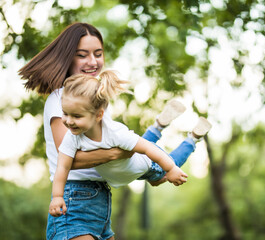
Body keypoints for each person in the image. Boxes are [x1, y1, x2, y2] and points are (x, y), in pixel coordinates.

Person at [18, 22, 211, 240]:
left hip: (101, 196)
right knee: (154, 167)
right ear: (68, 56)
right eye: (83, 55)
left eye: (98, 54)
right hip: (74, 198)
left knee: (153, 167)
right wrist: (117, 153)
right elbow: (70, 158)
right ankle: (173, 134)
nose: (93, 62)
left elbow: (123, 143)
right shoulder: (62, 100)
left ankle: (163, 130)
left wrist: (124, 152)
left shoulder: (95, 102)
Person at [49, 71, 208, 217]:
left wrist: (171, 168)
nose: (68, 121)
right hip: (133, 166)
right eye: (65, 113)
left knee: (165, 169)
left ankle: (193, 138)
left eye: (76, 116)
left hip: (149, 165)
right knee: (138, 148)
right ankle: (158, 125)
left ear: (99, 115)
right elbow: (62, 166)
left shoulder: (114, 132)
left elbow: (147, 148)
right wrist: (57, 196)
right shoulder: (72, 137)